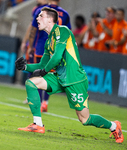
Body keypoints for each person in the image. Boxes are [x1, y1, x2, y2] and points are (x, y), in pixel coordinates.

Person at [15, 7, 124, 143]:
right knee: (31, 83)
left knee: (85, 119)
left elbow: (56, 58)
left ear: (50, 19)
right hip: (59, 78)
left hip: (75, 80)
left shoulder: (63, 31)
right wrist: (25, 67)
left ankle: (114, 126)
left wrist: (43, 72)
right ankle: (37, 124)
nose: (37, 18)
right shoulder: (49, 42)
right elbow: (43, 64)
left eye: (41, 16)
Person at [27, 0, 71, 112]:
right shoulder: (65, 14)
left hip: (41, 47)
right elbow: (68, 33)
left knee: (35, 75)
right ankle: (45, 102)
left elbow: (33, 30)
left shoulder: (41, 10)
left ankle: (36, 103)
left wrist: (30, 46)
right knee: (49, 75)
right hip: (55, 49)